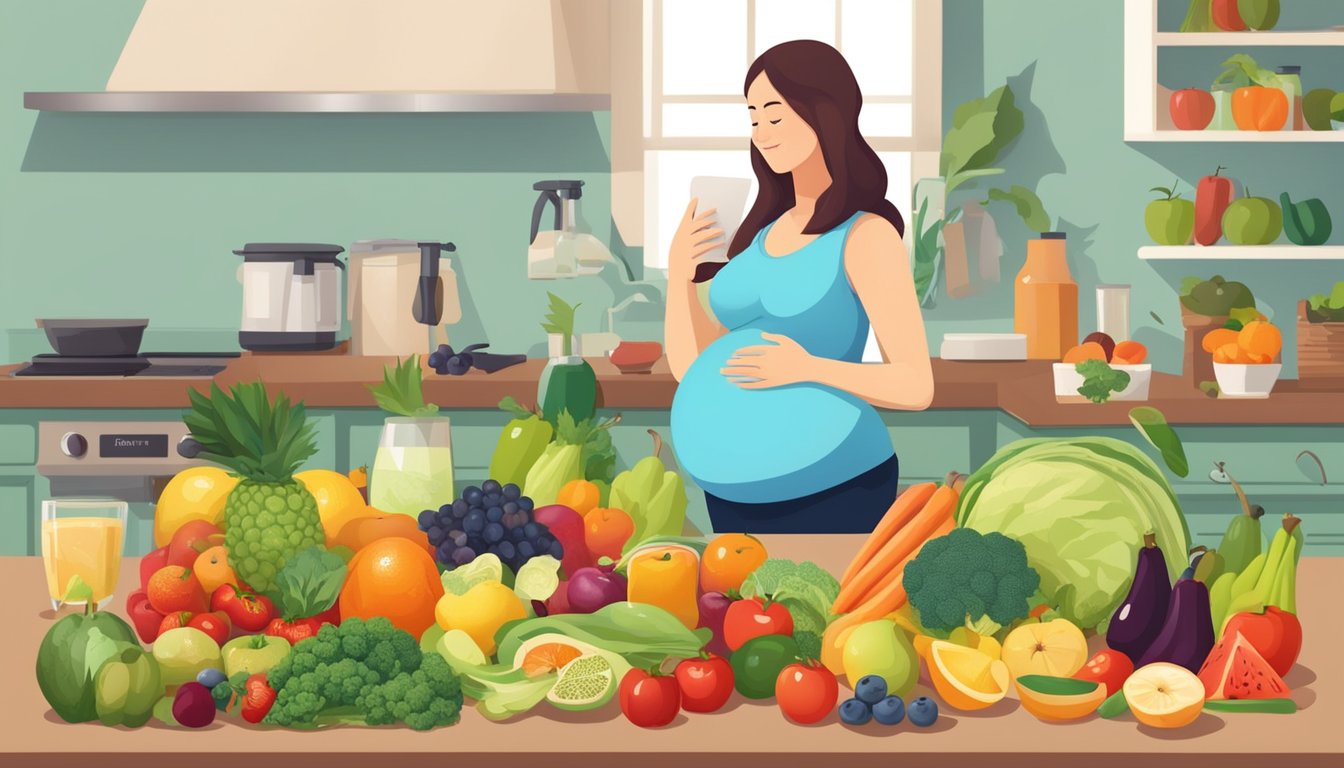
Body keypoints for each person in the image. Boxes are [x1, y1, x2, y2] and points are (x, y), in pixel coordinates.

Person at [665, 40, 935, 534]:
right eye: (753, 118)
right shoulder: (761, 234)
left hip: (833, 482)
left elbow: (917, 384)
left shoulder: (865, 235)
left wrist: (807, 368)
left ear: (824, 112)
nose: (761, 133)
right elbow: (691, 367)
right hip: (729, 492)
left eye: (775, 114)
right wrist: (678, 274)